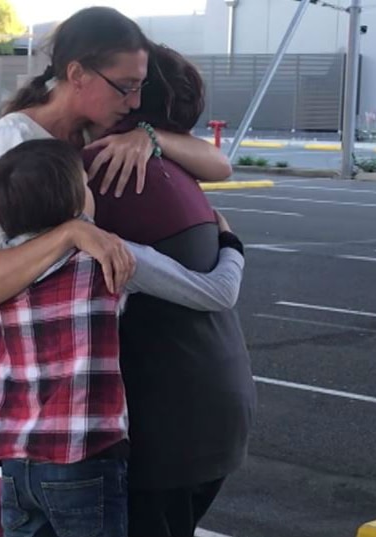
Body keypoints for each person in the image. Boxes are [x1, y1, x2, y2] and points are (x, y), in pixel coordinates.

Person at [0, 8, 231, 536]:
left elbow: (220, 165)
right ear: (78, 74)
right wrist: (73, 234)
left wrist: (149, 137)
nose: (133, 102)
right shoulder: (10, 146)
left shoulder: (94, 132)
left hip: (73, 418)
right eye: (124, 88)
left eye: (139, 90)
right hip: (41, 421)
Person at [0, 138, 245, 537]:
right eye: (87, 187)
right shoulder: (109, 258)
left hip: (15, 461)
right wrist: (229, 243)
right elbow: (216, 292)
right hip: (82, 459)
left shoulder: (0, 269)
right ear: (76, 202)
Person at [82, 43, 256, 537]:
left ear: (135, 99)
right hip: (216, 410)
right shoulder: (175, 169)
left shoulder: (102, 169)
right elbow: (220, 165)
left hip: (164, 425)